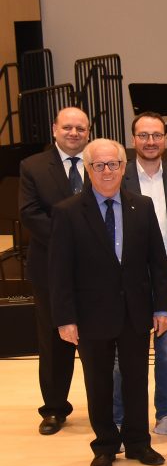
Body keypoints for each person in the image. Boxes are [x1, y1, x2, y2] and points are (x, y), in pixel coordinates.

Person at [49, 138, 167, 466]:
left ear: (123, 167)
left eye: (113, 164)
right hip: (90, 317)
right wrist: (65, 318)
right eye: (98, 165)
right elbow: (59, 272)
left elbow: (158, 263)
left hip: (135, 312)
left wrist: (162, 308)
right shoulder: (68, 212)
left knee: (136, 381)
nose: (106, 171)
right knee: (99, 383)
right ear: (87, 169)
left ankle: (138, 443)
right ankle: (105, 445)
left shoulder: (142, 206)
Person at [113, 111, 167, 442]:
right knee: (126, 351)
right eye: (143, 135)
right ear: (133, 139)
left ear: (164, 139)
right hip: (130, 276)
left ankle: (165, 414)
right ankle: (120, 418)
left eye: (157, 135)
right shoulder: (118, 177)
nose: (150, 141)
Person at [19, 106, 89, 435]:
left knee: (99, 341)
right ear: (54, 129)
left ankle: (109, 407)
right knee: (53, 339)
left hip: (95, 269)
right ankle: (54, 409)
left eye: (80, 128)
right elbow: (30, 214)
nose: (74, 133)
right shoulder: (32, 166)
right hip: (50, 267)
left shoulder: (101, 162)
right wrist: (71, 241)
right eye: (68, 127)